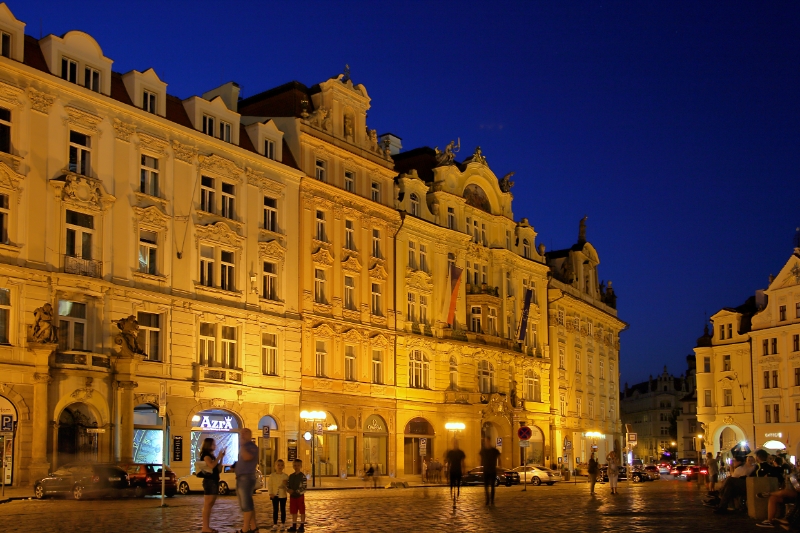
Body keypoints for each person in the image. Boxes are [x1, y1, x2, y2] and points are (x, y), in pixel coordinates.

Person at [234, 428, 259, 533]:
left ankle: (245, 529)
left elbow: (247, 457)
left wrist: (243, 445)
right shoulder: (244, 447)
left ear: (250, 435)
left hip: (247, 477)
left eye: (245, 432)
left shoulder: (251, 446)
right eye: (242, 432)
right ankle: (253, 527)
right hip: (241, 477)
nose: (243, 434)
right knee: (247, 503)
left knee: (246, 505)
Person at [199, 437, 225, 533]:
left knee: (210, 504)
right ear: (208, 445)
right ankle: (205, 527)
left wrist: (221, 458)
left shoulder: (212, 456)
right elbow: (211, 465)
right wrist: (218, 457)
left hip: (214, 480)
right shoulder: (206, 455)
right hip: (209, 481)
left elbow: (218, 469)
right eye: (213, 444)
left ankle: (206, 526)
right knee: (208, 504)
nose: (215, 446)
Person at [268, 459, 289, 531]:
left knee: (283, 509)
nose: (280, 467)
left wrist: (286, 485)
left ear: (284, 466)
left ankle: (283, 523)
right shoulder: (272, 476)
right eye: (278, 465)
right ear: (275, 466)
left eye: (282, 465)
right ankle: (275, 523)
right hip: (274, 495)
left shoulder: (285, 476)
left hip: (283, 495)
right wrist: (270, 493)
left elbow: (288, 486)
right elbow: (270, 485)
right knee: (275, 510)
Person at [287, 459, 307, 533]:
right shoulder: (291, 476)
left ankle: (302, 525)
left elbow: (304, 487)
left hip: (300, 496)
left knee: (302, 511)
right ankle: (294, 525)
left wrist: (296, 491)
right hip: (292, 496)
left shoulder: (302, 476)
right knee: (293, 511)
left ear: (301, 466)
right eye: (295, 465)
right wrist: (288, 489)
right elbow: (288, 485)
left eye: (298, 465)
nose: (296, 467)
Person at [479, 437, 501, 506]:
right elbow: (480, 459)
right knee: (486, 486)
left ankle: (492, 500)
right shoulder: (483, 451)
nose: (486, 442)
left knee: (492, 486)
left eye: (487, 441)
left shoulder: (494, 450)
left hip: (492, 470)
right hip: (486, 470)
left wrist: (499, 467)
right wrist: (480, 468)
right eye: (485, 441)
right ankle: (487, 500)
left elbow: (499, 459)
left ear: (489, 441)